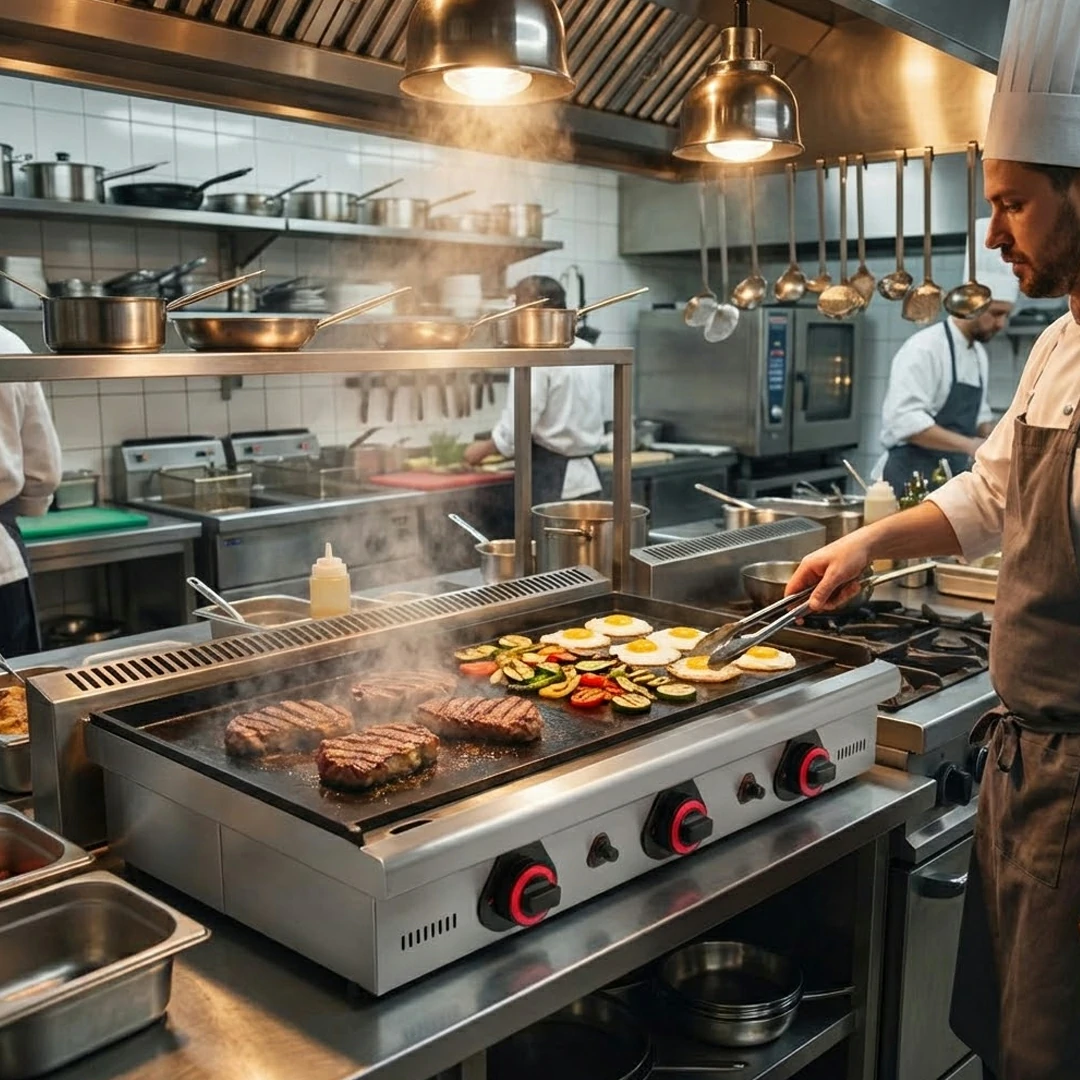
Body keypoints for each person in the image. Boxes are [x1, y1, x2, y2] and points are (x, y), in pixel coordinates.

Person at [786, 4, 1080, 1076]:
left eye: (1011, 203)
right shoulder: (1060, 342)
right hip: (1026, 762)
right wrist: (872, 545)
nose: (995, 237)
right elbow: (992, 497)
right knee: (1012, 1043)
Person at [878, 227, 1017, 495]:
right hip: (910, 480)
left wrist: (1009, 436)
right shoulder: (925, 348)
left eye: (1006, 315)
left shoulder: (978, 355)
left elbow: (979, 421)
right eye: (997, 314)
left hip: (949, 480)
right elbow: (905, 422)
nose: (1002, 324)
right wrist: (969, 446)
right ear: (973, 305)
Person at [464, 276, 604, 504]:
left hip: (552, 478)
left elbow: (519, 424)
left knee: (546, 540)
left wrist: (482, 449)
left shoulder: (536, 355)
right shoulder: (588, 350)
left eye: (517, 304)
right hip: (589, 477)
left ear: (530, 309)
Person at [0, 325, 61, 656]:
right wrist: (30, 505)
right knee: (11, 700)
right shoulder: (7, 344)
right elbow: (42, 472)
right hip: (1, 563)